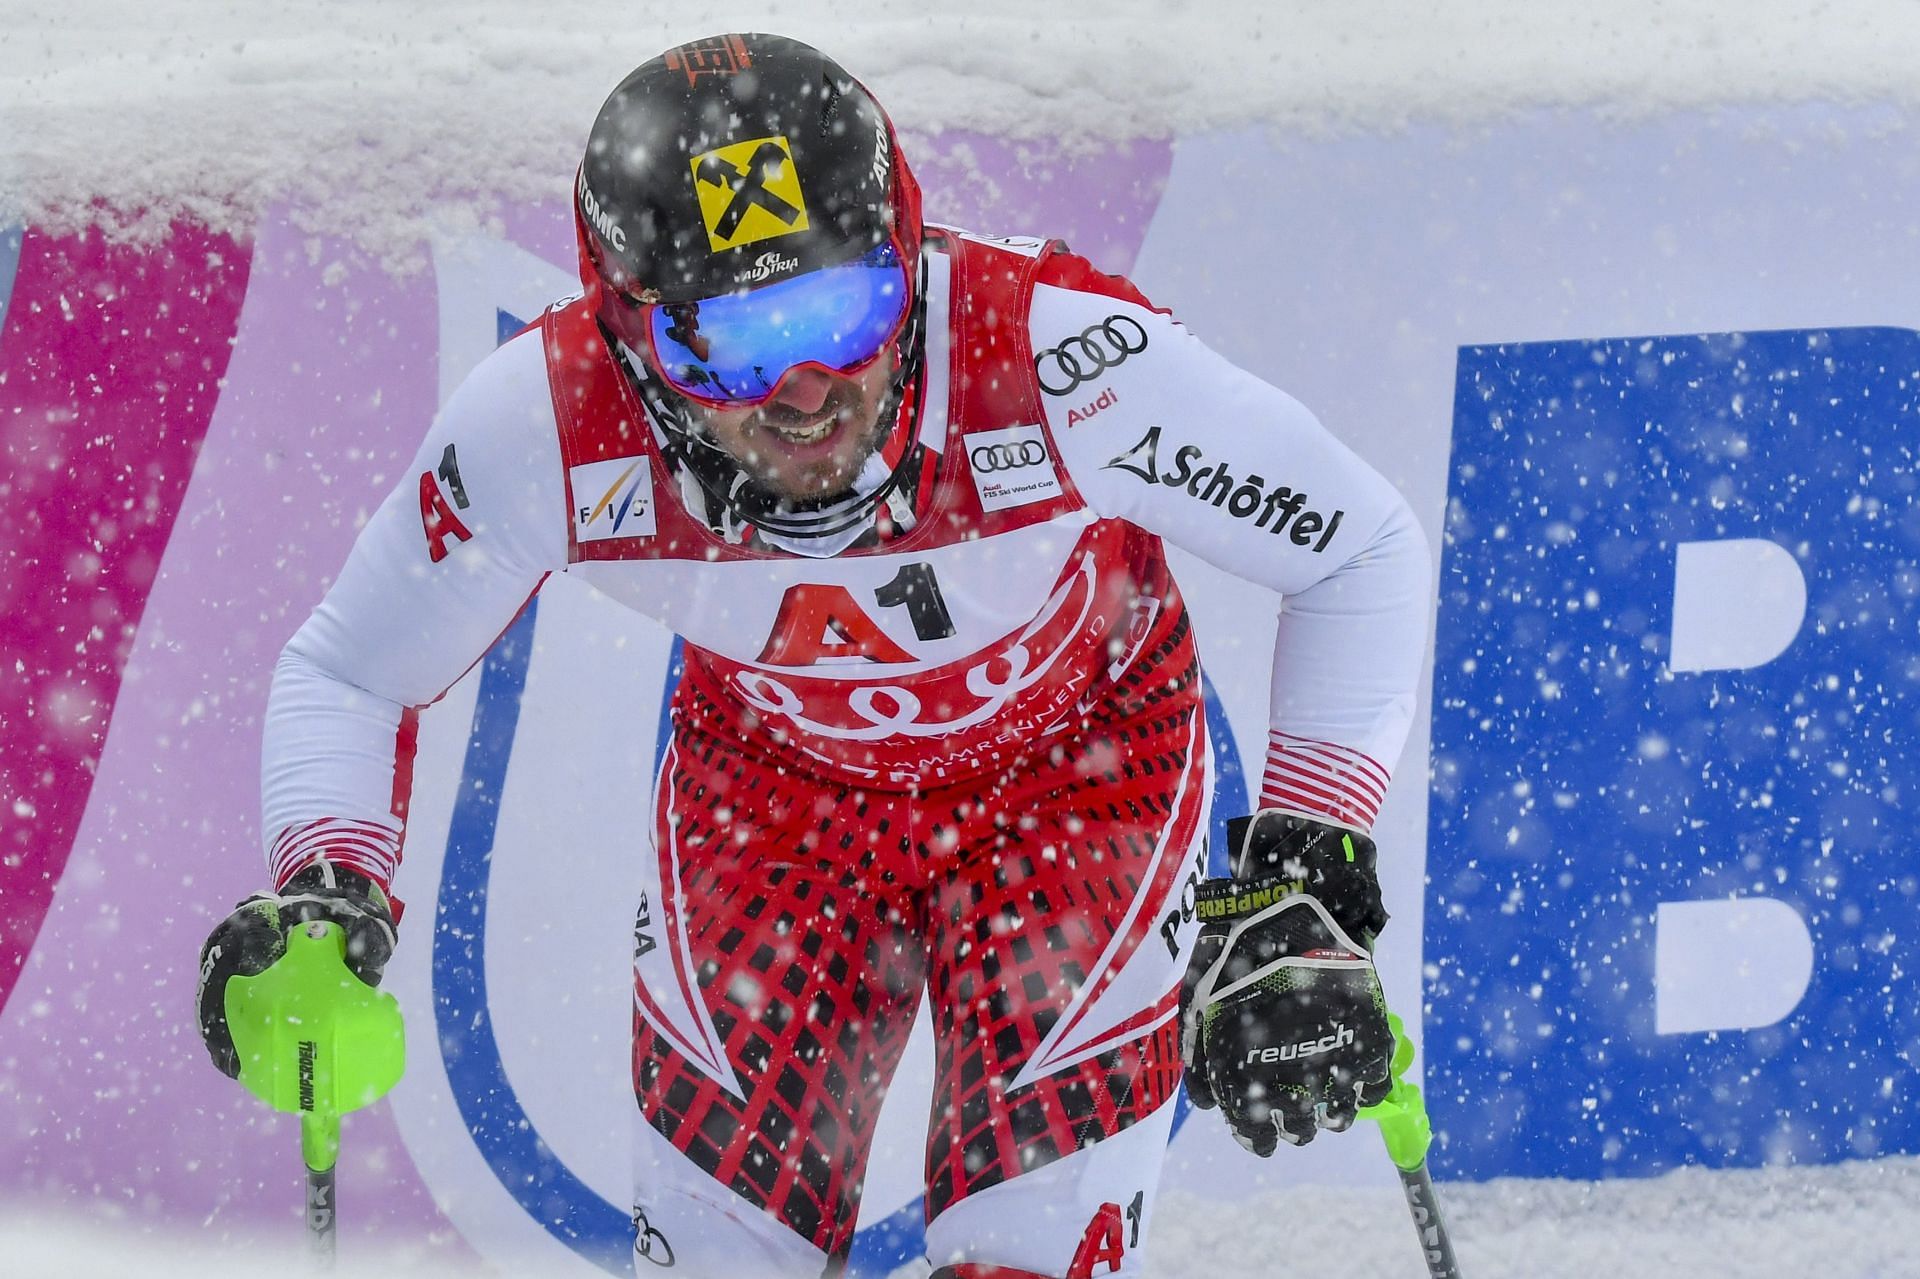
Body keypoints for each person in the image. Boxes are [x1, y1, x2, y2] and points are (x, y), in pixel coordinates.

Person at [195, 32, 1432, 1279]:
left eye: (844, 313)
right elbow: (351, 669)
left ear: (909, 260)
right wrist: (327, 892)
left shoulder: (1056, 353)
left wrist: (1306, 873)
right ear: (631, 339)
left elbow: (1360, 546)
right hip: (781, 803)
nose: (803, 392)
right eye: (725, 349)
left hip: (1080, 772)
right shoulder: (549, 423)